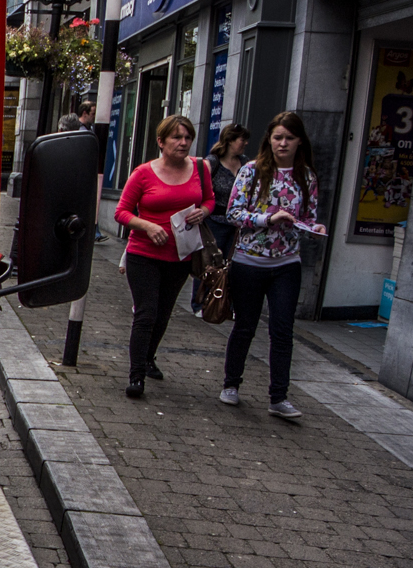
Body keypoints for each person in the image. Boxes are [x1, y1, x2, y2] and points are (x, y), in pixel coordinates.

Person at [221, 111, 323, 420]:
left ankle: (278, 397)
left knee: (282, 330)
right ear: (270, 140)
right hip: (248, 262)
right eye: (277, 137)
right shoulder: (252, 171)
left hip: (287, 264)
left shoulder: (306, 177)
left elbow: (308, 217)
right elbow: (233, 213)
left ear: (299, 142)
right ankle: (231, 384)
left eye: (289, 138)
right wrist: (268, 218)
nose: (282, 143)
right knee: (245, 325)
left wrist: (313, 228)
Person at [113, 115, 212, 398]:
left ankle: (148, 356)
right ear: (161, 142)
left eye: (187, 138)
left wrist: (203, 211)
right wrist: (147, 225)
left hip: (180, 256)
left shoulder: (201, 169)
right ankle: (137, 376)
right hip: (143, 253)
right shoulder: (143, 173)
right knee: (146, 313)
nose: (183, 143)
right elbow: (121, 212)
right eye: (176, 138)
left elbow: (210, 200)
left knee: (163, 314)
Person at [194, 123, 250, 315]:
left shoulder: (245, 163)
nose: (245, 143)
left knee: (231, 265)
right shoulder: (213, 162)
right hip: (214, 221)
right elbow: (199, 187)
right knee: (210, 262)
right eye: (241, 139)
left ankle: (224, 304)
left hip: (235, 224)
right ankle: (201, 302)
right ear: (229, 140)